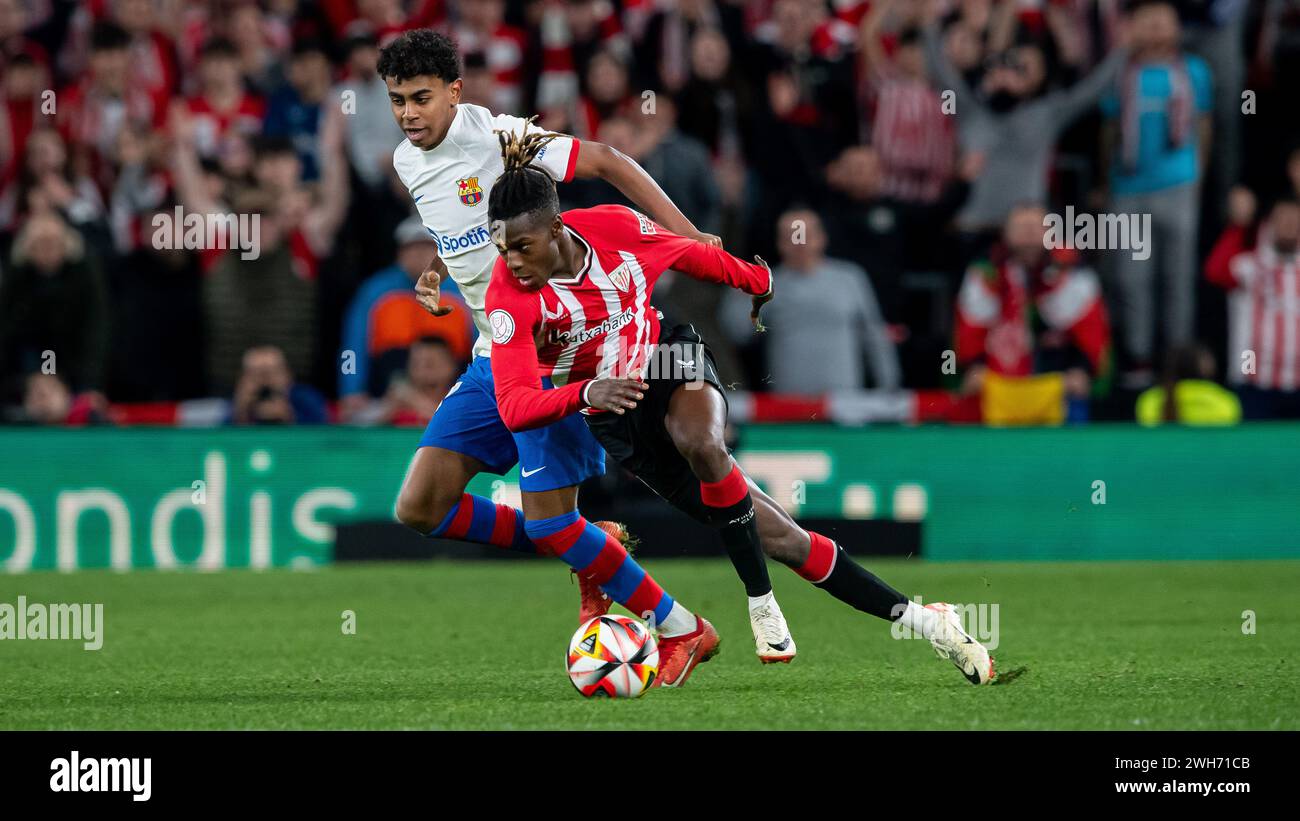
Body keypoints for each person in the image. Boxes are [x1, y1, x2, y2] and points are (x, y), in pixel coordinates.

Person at [484, 130, 995, 685]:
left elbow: (689, 254)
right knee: (783, 540)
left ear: (557, 228)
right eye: (501, 247)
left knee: (702, 441)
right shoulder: (508, 297)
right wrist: (586, 393)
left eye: (521, 246)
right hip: (614, 418)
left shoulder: (616, 229)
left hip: (665, 359)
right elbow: (513, 405)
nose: (511, 260)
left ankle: (761, 601)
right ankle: (927, 621)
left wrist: (758, 280)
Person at [381, 29, 724, 687]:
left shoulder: (499, 138)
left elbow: (608, 159)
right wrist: (438, 268)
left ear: (456, 91)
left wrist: (684, 233)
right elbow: (470, 222)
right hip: (496, 353)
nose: (408, 114)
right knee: (420, 507)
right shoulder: (407, 160)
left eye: (421, 98)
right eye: (397, 100)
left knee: (550, 523)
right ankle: (591, 541)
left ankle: (683, 625)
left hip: (559, 355)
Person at [720, 207, 901, 394]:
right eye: (791, 236)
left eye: (806, 234)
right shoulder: (765, 284)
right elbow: (737, 333)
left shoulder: (849, 278)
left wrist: (889, 387)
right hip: (789, 404)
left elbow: (874, 335)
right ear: (779, 242)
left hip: (845, 403)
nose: (800, 242)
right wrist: (739, 297)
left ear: (822, 237)